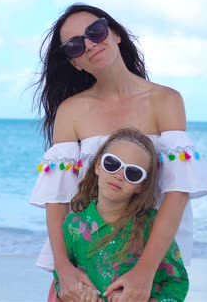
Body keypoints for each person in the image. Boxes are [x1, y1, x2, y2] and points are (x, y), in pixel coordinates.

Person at [29, 3, 207, 302]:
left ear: (115, 34)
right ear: (74, 62)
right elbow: (58, 200)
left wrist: (145, 272)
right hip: (83, 267)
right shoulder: (71, 111)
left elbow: (178, 191)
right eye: (75, 45)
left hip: (146, 262)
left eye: (95, 31)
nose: (89, 44)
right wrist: (63, 270)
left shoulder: (165, 100)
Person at [54, 128, 188, 302]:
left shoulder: (152, 226)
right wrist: (79, 294)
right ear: (98, 166)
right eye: (112, 163)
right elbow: (62, 278)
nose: (119, 175)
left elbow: (177, 282)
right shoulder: (73, 226)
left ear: (141, 185)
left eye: (132, 173)